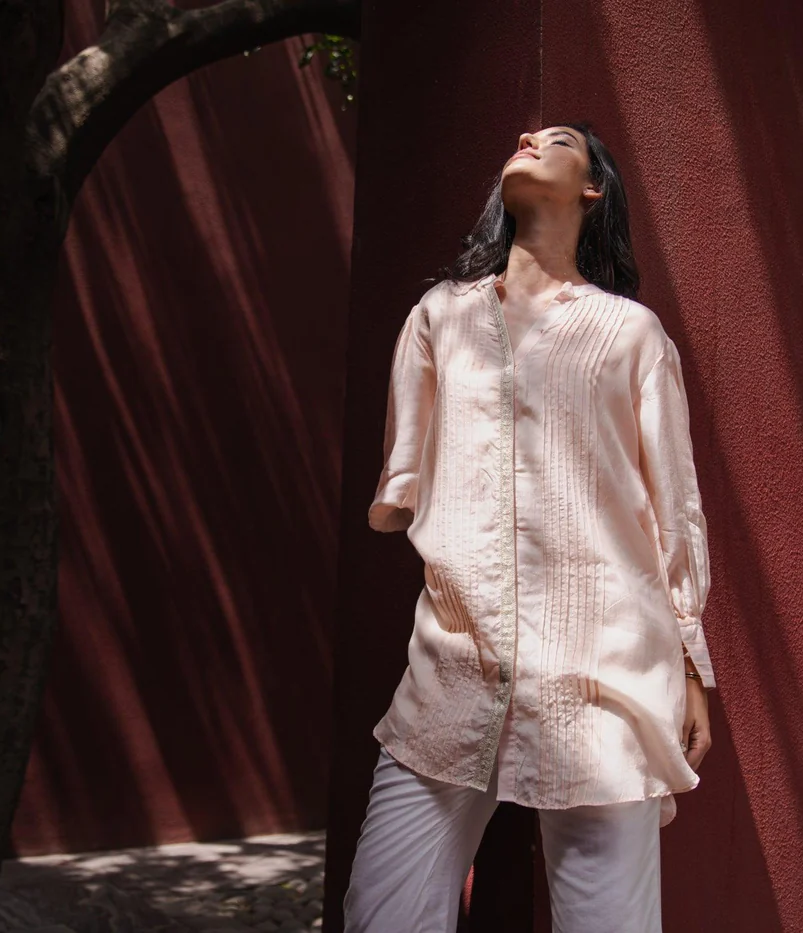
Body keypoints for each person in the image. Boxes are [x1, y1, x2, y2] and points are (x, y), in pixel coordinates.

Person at [344, 122, 716, 933]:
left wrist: (693, 664)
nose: (529, 138)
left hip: (605, 679)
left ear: (593, 189)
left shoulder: (632, 334)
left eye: (560, 141)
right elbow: (405, 485)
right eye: (526, 136)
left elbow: (675, 507)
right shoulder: (438, 319)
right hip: (453, 667)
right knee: (381, 914)